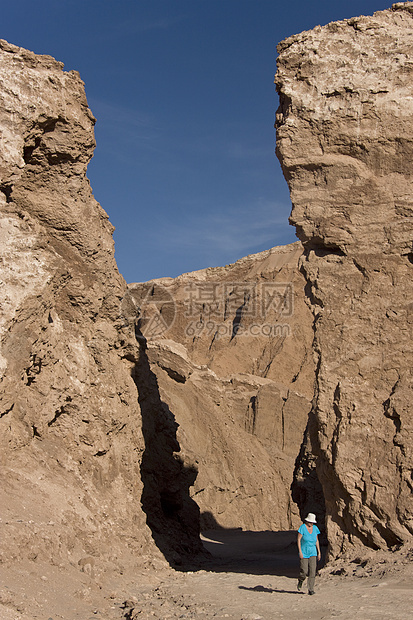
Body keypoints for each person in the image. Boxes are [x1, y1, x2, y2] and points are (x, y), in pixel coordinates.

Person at [297, 512, 321, 595]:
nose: (311, 523)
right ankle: (301, 580)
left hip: (313, 552)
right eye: (310, 522)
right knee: (304, 570)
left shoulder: (315, 528)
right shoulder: (302, 528)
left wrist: (319, 552)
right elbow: (299, 540)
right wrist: (300, 551)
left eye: (312, 522)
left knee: (312, 571)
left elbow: (317, 540)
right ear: (307, 521)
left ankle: (311, 589)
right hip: (304, 552)